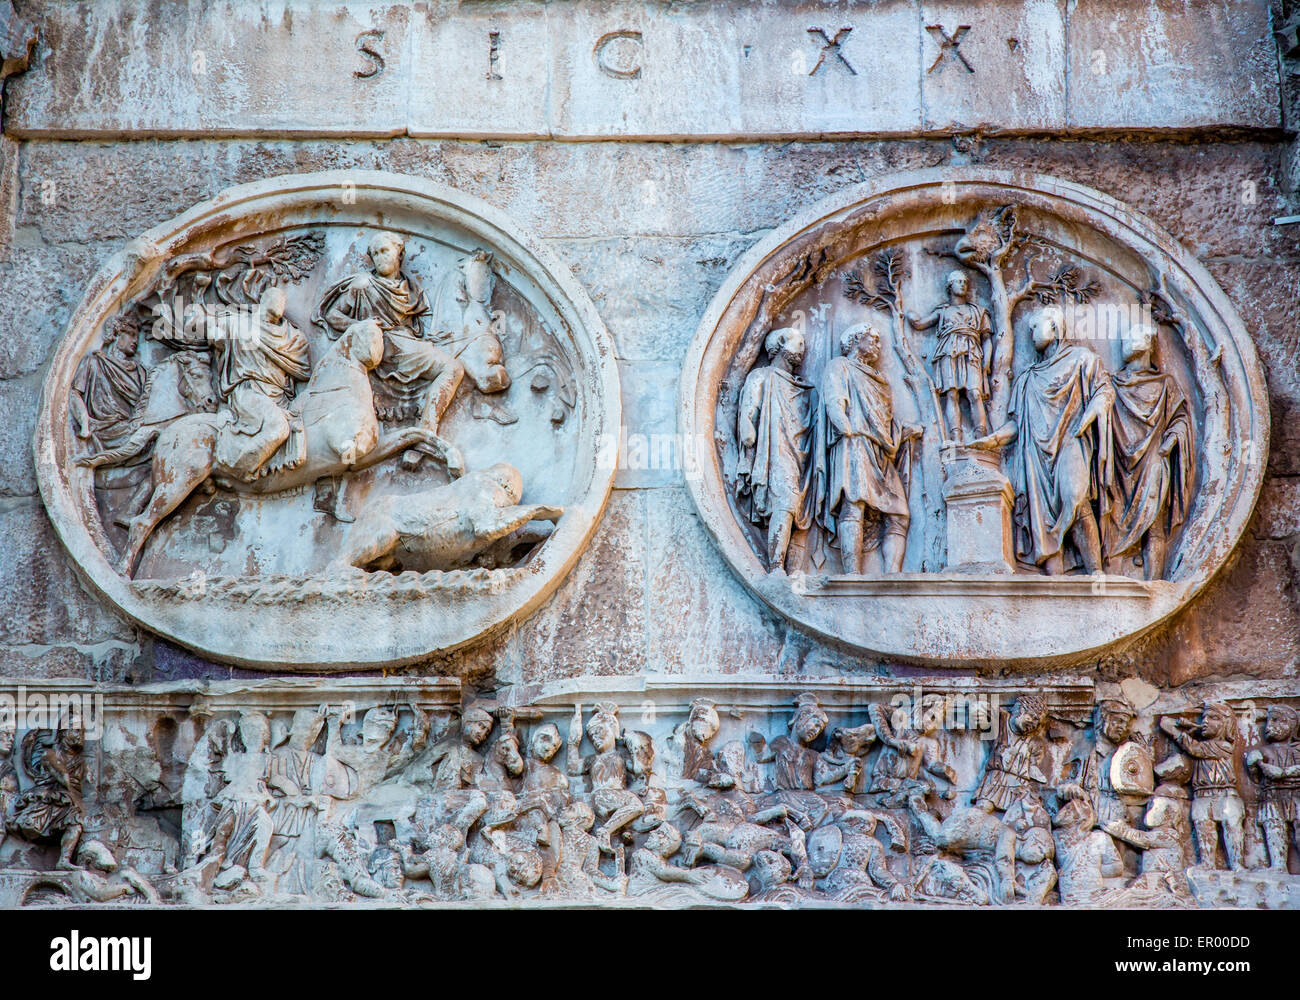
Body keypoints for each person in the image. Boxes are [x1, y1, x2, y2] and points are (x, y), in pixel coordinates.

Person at [970, 308, 1114, 574]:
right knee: (1041, 519)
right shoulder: (1026, 379)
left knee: (1075, 495)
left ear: (1055, 328)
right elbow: (1017, 424)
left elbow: (1104, 390)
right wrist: (992, 440)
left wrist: (1090, 413)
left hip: (1070, 440)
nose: (1031, 333)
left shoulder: (1082, 360)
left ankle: (1096, 573)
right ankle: (1053, 584)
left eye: (1036, 327)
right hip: (1035, 454)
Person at [315, 231, 465, 448]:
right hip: (384, 345)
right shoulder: (364, 284)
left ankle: (425, 430)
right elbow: (333, 315)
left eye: (384, 251)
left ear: (399, 254)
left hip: (407, 342)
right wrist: (360, 326)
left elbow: (425, 319)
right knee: (453, 368)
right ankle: (426, 432)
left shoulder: (409, 287)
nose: (379, 257)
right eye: (374, 254)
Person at [820, 323, 921, 574]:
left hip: (880, 449)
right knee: (853, 504)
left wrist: (903, 431)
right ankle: (852, 574)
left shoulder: (879, 379)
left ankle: (892, 574)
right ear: (855, 340)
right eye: (872, 339)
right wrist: (846, 428)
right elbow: (835, 401)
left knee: (900, 513)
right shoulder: (840, 366)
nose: (878, 345)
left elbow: (884, 422)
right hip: (853, 442)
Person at [184, 285, 311, 481]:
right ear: (261, 302)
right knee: (278, 427)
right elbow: (206, 326)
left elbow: (303, 368)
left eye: (281, 301)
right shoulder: (239, 325)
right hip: (248, 393)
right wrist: (198, 316)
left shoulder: (292, 338)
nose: (278, 304)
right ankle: (237, 468)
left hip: (280, 397)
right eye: (273, 299)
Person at [1103, 324, 1193, 579]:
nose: (1124, 343)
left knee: (1154, 517)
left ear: (1145, 344)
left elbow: (1180, 419)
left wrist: (1171, 440)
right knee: (1114, 514)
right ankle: (1115, 576)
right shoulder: (1113, 383)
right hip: (1119, 461)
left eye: (1130, 337)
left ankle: (1154, 581)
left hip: (1154, 457)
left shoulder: (1165, 384)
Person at [736, 326, 817, 572]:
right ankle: (776, 568)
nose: (803, 350)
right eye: (798, 343)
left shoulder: (804, 388)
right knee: (785, 501)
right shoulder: (761, 377)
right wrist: (747, 434)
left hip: (802, 452)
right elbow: (749, 412)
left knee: (804, 511)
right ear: (781, 344)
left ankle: (794, 575)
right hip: (775, 451)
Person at [906, 270, 992, 441]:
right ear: (949, 286)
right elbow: (921, 324)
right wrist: (908, 314)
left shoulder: (978, 311)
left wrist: (987, 363)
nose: (962, 284)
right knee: (952, 394)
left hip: (971, 353)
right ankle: (955, 437)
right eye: (958, 281)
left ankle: (980, 435)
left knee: (974, 393)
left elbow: (987, 339)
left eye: (964, 282)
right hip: (947, 352)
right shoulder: (943, 311)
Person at [1160, 702, 1245, 870]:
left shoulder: (1224, 746)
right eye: (1204, 717)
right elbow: (1165, 722)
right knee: (1203, 827)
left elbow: (1195, 749)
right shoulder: (1205, 743)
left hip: (1225, 794)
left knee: (1232, 827)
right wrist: (1185, 726)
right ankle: (1207, 863)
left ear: (1226, 725)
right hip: (1201, 793)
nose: (1205, 721)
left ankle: (1237, 865)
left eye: (1213, 718)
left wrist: (1178, 732)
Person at [70, 313, 146, 451]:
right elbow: (75, 393)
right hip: (104, 429)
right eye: (130, 334)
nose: (135, 340)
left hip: (133, 427)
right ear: (115, 334)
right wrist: (84, 422)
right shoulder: (94, 362)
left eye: (136, 336)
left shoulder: (140, 372)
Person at [1245, 705, 1300, 872]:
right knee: (1274, 828)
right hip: (1272, 796)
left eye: (1276, 720)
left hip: (1296, 796)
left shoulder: (1297, 750)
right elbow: (1255, 779)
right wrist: (1253, 766)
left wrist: (1285, 772)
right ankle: (1278, 865)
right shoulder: (1263, 751)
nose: (1270, 726)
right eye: (1269, 721)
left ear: (1291, 726)